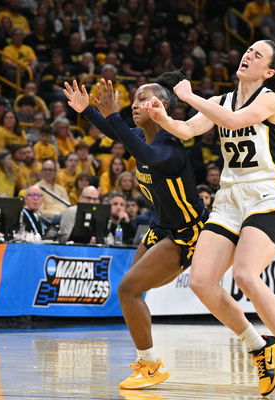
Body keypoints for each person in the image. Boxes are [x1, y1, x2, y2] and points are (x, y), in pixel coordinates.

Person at [142, 40, 275, 395]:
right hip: (228, 199)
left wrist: (189, 96)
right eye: (248, 51)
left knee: (246, 274)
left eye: (258, 55)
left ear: (268, 72)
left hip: (263, 195)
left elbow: (235, 121)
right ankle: (258, 345)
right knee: (202, 281)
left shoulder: (270, 99)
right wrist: (162, 117)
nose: (248, 56)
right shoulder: (220, 101)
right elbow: (188, 131)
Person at [63, 71, 207, 390]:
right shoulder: (141, 137)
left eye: (142, 98)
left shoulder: (170, 147)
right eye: (133, 99)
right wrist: (87, 109)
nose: (134, 104)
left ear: (162, 106)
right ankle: (148, 359)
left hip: (187, 232)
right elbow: (120, 134)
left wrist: (113, 114)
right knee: (133, 290)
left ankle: (151, 365)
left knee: (128, 289)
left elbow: (142, 153)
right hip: (161, 226)